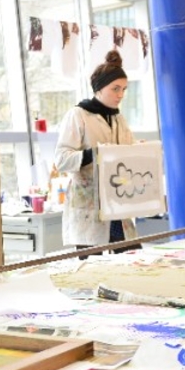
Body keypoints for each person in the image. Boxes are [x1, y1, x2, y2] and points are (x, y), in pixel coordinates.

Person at [53, 49, 139, 251]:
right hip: (88, 207)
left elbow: (128, 153)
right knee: (92, 268)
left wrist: (139, 150)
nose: (121, 95)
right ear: (99, 88)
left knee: (129, 259)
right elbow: (61, 159)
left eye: (124, 90)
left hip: (117, 203)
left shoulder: (119, 119)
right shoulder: (78, 115)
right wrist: (94, 154)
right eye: (115, 89)